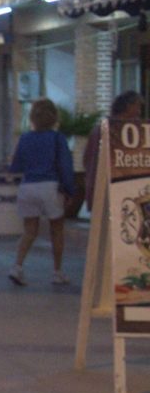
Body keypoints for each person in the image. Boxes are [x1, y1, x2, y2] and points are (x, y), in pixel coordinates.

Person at [8, 98, 76, 287]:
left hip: (28, 186)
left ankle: (17, 266)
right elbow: (65, 166)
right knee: (56, 230)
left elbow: (15, 166)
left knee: (29, 231)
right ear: (53, 117)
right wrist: (69, 190)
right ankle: (57, 272)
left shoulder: (25, 138)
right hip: (50, 187)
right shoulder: (57, 138)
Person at [84, 91, 144, 212]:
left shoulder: (99, 128)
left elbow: (87, 159)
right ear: (128, 107)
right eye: (137, 107)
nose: (139, 112)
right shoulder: (124, 131)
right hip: (117, 190)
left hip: (103, 189)